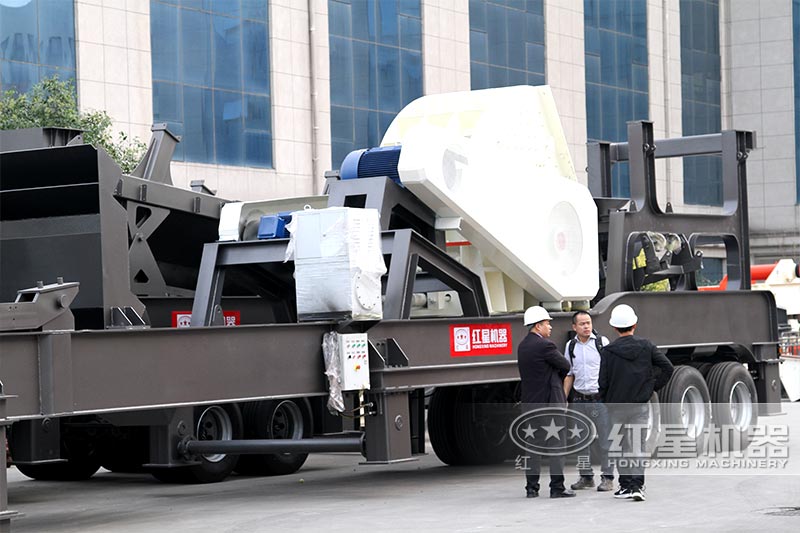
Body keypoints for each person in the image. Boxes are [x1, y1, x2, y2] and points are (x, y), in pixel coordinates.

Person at [599, 304, 673, 502]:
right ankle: (637, 486)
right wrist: (652, 387)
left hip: (616, 407)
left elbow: (602, 381)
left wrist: (606, 400)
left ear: (614, 327)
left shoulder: (608, 351)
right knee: (638, 446)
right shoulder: (646, 346)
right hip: (639, 405)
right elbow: (667, 367)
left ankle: (625, 486)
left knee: (620, 446)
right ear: (635, 324)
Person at [517, 305, 576, 499]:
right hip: (550, 404)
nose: (550, 328)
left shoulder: (523, 346)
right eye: (547, 324)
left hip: (530, 404)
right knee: (556, 445)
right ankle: (557, 488)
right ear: (537, 326)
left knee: (532, 446)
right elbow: (566, 366)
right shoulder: (546, 346)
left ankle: (531, 488)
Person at [562, 310, 614, 492]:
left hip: (599, 400)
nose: (586, 326)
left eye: (589, 323)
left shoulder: (601, 343)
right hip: (579, 399)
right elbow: (569, 374)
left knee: (605, 441)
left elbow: (610, 371)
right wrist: (563, 398)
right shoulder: (571, 346)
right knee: (580, 440)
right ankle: (586, 476)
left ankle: (607, 477)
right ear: (574, 327)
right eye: (582, 324)